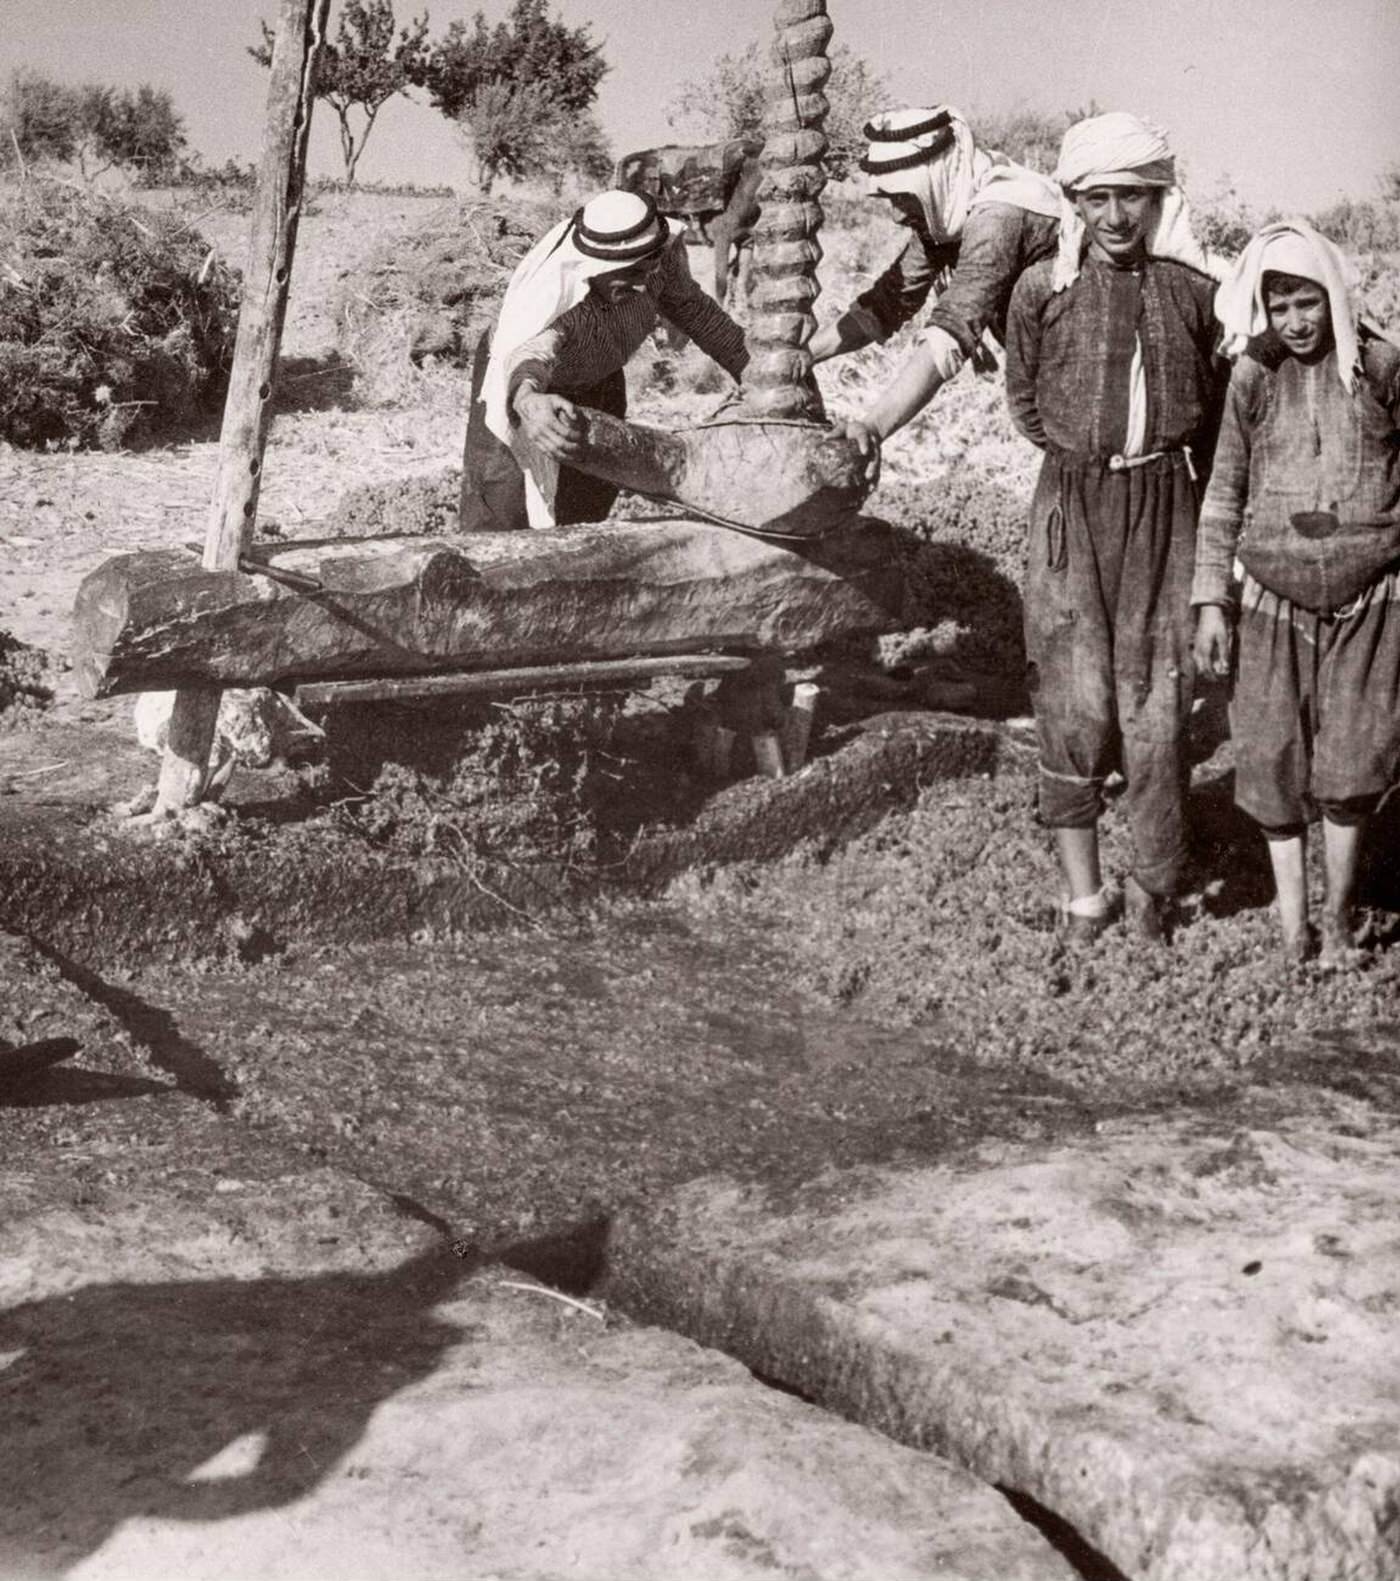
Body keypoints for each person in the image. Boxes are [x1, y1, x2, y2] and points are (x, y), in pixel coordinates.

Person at [1004, 111, 1223, 944]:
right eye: (1098, 198)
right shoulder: (1042, 290)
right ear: (1076, 203)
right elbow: (1025, 399)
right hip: (1068, 506)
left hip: (1167, 509)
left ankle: (1154, 891)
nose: (1116, 217)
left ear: (1158, 198)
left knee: (1157, 699)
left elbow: (1212, 416)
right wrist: (1083, 456)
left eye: (1133, 196)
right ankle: (1083, 896)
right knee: (1070, 692)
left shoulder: (1193, 292)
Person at [1192, 220, 1400, 965]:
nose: (1295, 322)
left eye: (1307, 302)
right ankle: (1292, 926)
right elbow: (1224, 490)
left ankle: (1339, 917)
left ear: (1333, 296)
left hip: (1371, 599)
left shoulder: (1380, 367)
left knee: (1352, 764)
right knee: (1272, 758)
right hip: (1271, 598)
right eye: (1279, 306)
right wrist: (1210, 599)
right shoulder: (1253, 374)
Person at [461, 189, 749, 531]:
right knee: (502, 503)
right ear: (594, 268)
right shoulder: (561, 301)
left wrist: (758, 373)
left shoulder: (658, 259)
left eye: (648, 269)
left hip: (600, 373)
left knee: (589, 499)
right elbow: (531, 355)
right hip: (523, 385)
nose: (643, 286)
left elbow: (697, 313)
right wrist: (527, 399)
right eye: (629, 274)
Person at [806, 105, 1061, 461]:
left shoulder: (998, 216)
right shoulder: (947, 209)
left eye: (903, 197)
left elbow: (951, 333)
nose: (896, 214)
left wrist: (873, 428)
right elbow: (889, 301)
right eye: (891, 199)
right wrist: (804, 356)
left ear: (937, 178)